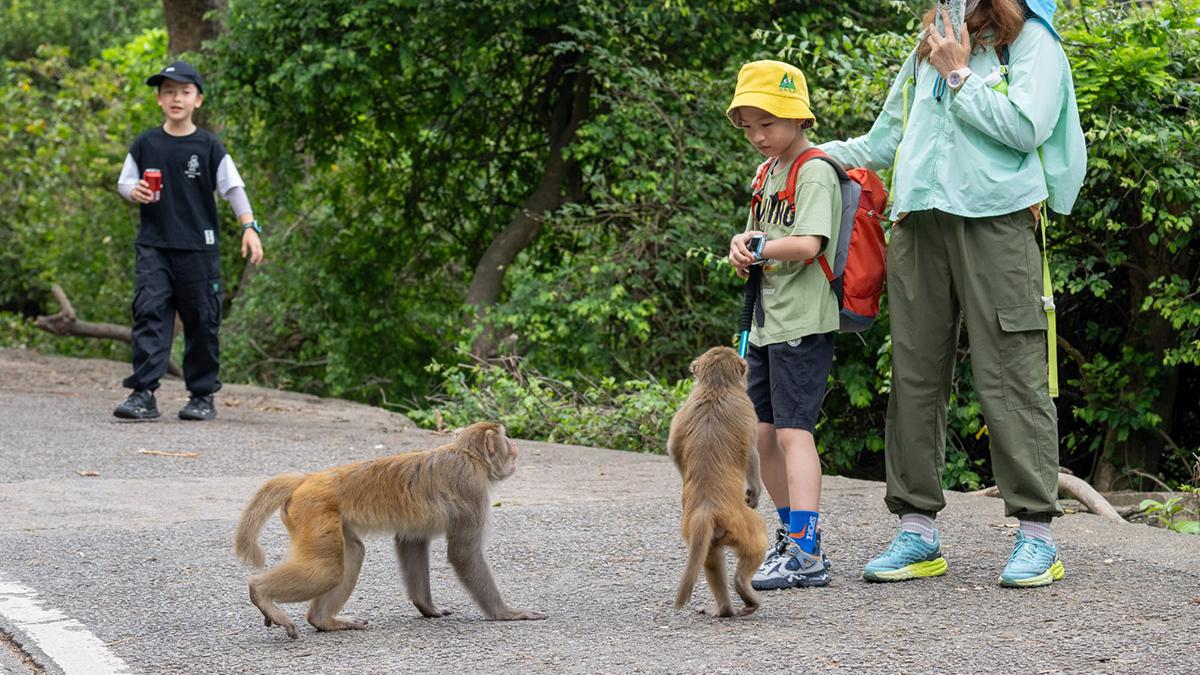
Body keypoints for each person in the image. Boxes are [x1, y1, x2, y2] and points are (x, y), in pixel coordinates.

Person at [819, 0, 1086, 587]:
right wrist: (808, 155)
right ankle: (916, 530)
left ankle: (1037, 534)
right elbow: (885, 140)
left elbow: (1025, 129)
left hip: (998, 219)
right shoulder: (932, 39)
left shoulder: (1030, 41)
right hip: (919, 221)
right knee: (914, 375)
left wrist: (960, 74)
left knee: (1013, 371)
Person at [727, 60, 842, 589]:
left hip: (803, 321)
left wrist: (759, 247)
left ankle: (806, 551)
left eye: (766, 124)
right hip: (768, 323)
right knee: (764, 436)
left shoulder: (814, 170)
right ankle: (792, 537)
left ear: (796, 117)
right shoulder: (766, 172)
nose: (756, 136)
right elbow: (757, 235)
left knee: (796, 433)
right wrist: (741, 246)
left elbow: (809, 244)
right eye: (747, 127)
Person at [113, 61, 264, 421]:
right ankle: (143, 394)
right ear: (159, 99)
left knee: (201, 320)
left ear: (198, 100)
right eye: (168, 92)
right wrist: (132, 192)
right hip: (154, 245)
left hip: (199, 247)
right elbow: (124, 181)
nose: (175, 98)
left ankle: (201, 396)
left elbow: (233, 188)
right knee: (149, 314)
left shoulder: (209, 146)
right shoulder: (146, 143)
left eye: (184, 92)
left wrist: (249, 226)